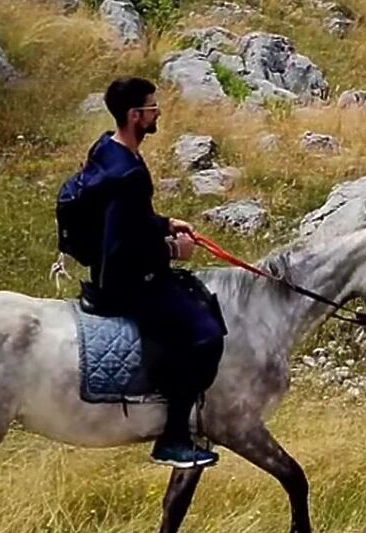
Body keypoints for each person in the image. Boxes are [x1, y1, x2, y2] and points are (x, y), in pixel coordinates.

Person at [84, 76, 226, 468]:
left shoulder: (107, 151)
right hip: (127, 281)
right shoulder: (130, 172)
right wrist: (170, 250)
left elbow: (129, 219)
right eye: (151, 107)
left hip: (108, 271)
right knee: (206, 336)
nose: (157, 112)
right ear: (135, 116)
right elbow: (121, 242)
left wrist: (165, 223)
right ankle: (174, 437)